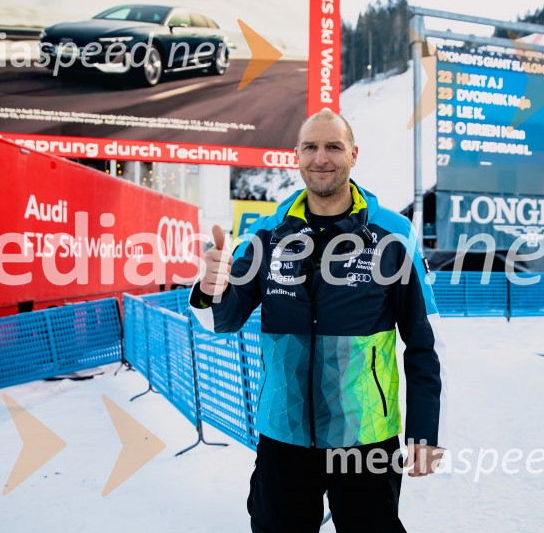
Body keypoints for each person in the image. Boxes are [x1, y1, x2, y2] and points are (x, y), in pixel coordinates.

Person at [190, 110, 448, 533]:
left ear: (353, 154)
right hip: (284, 434)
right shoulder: (267, 235)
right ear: (296, 155)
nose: (321, 158)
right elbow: (223, 320)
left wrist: (424, 430)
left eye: (333, 146)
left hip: (364, 437)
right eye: (310, 147)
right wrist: (211, 289)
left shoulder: (393, 235)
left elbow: (422, 343)